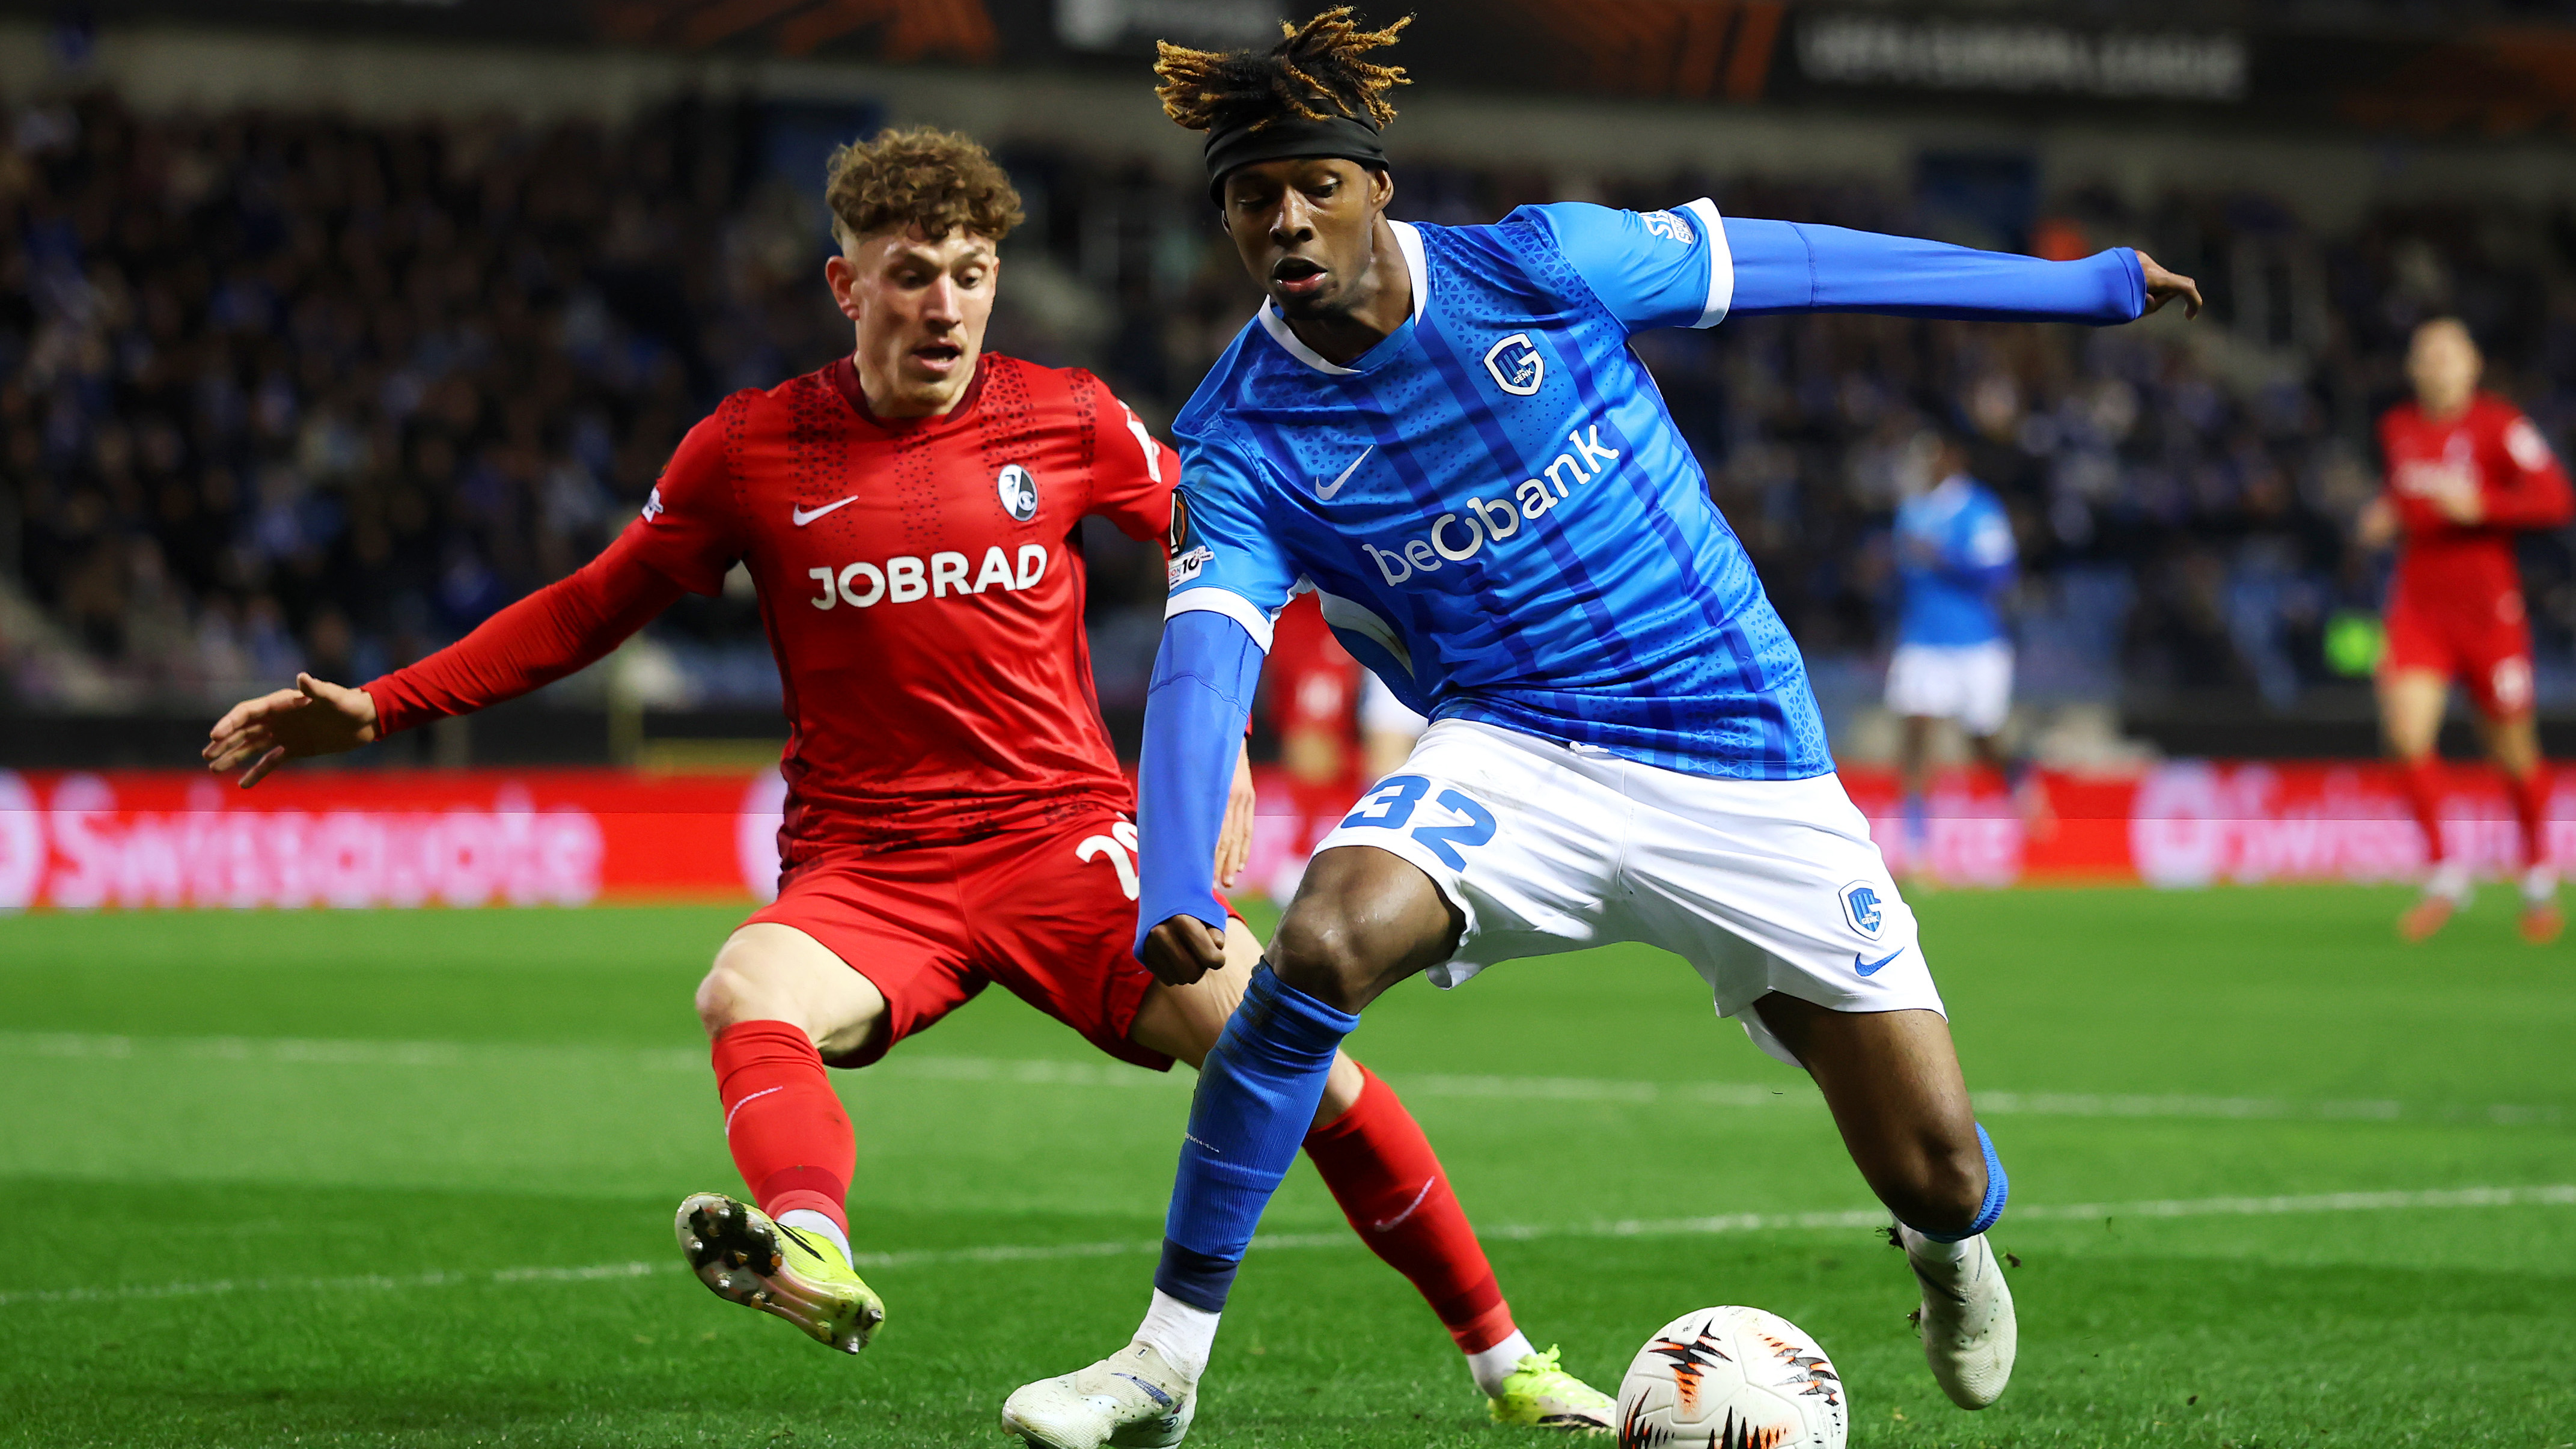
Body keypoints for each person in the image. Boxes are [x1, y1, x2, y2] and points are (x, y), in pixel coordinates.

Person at [203, 126, 1615, 1432]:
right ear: (846, 283)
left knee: (1298, 1061)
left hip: (1069, 848)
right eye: (911, 277)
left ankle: (1510, 1365)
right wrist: (384, 705)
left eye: (972, 275)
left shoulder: (1064, 419)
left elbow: (1231, 546)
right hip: (869, 869)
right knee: (745, 994)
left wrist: (1218, 752)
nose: (945, 306)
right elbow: (591, 606)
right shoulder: (750, 448)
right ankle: (810, 1242)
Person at [1000, 12, 2203, 1447]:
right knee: (1319, 937)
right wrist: (1181, 876)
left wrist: (2071, 292)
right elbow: (1205, 665)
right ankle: (1162, 1361)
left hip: (1739, 747)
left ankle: (1947, 1251)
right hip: (1516, 752)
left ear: (1378, 184)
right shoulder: (1243, 436)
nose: (1285, 218)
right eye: (1252, 200)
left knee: (1936, 1165)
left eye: (1314, 182)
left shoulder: (1540, 264)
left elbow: (1803, 265)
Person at [2361, 316, 2574, 944]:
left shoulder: (2499, 425)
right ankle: (2447, 872)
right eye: (2425, 355)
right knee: (2404, 734)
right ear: (2411, 368)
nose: (2436, 365)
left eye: (2447, 355)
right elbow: (2405, 499)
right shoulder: (2396, 429)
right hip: (2418, 608)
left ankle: (2536, 877)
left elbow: (2555, 498)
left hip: (2488, 612)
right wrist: (2384, 516)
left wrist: (2486, 505)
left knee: (2511, 752)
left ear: (2471, 365)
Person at [1884, 428, 2047, 870]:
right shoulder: (1911, 511)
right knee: (1916, 732)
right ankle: (1916, 842)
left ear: (1952, 459)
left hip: (1976, 643)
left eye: (1932, 455)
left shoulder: (1979, 508)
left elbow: (2000, 575)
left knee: (1983, 738)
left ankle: (2019, 781)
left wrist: (1943, 557)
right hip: (1923, 639)